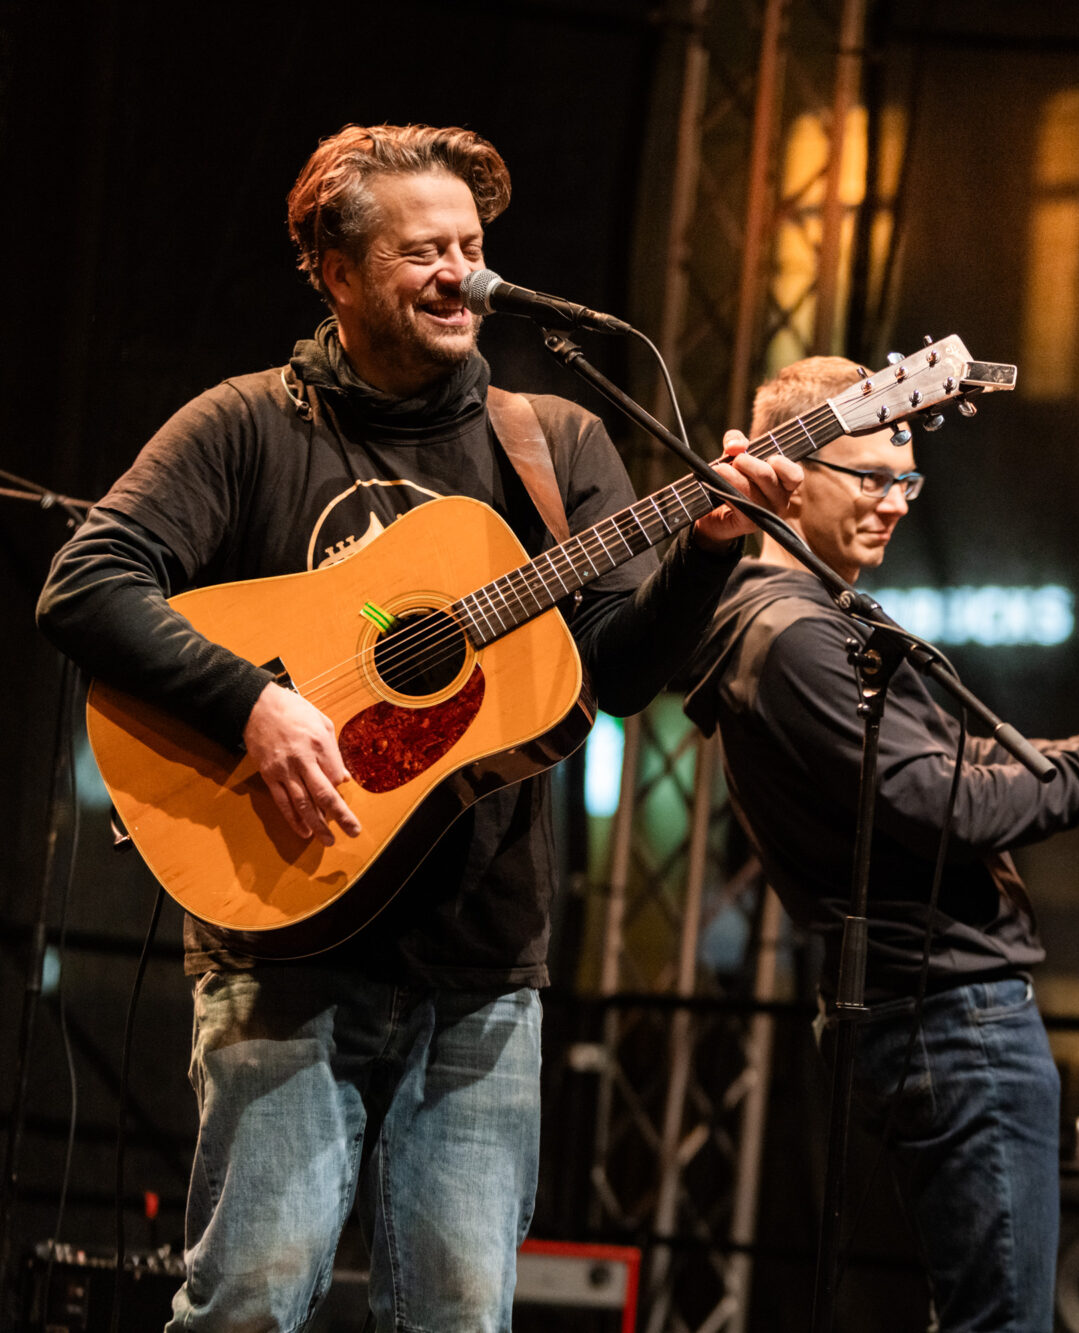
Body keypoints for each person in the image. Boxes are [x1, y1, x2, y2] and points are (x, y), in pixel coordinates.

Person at [35, 123, 798, 1331]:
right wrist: (254, 702)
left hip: (483, 966)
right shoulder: (247, 423)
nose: (461, 274)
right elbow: (86, 584)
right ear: (337, 273)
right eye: (424, 251)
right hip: (284, 940)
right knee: (249, 1300)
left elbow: (615, 672)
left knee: (458, 1315)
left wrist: (707, 551)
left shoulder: (552, 442)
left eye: (473, 247)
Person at [674, 355, 1079, 1332]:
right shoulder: (795, 635)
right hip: (950, 1016)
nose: (895, 503)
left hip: (936, 1012)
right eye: (870, 478)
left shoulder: (807, 621)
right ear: (788, 473)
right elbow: (941, 803)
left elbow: (953, 768)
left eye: (906, 481)